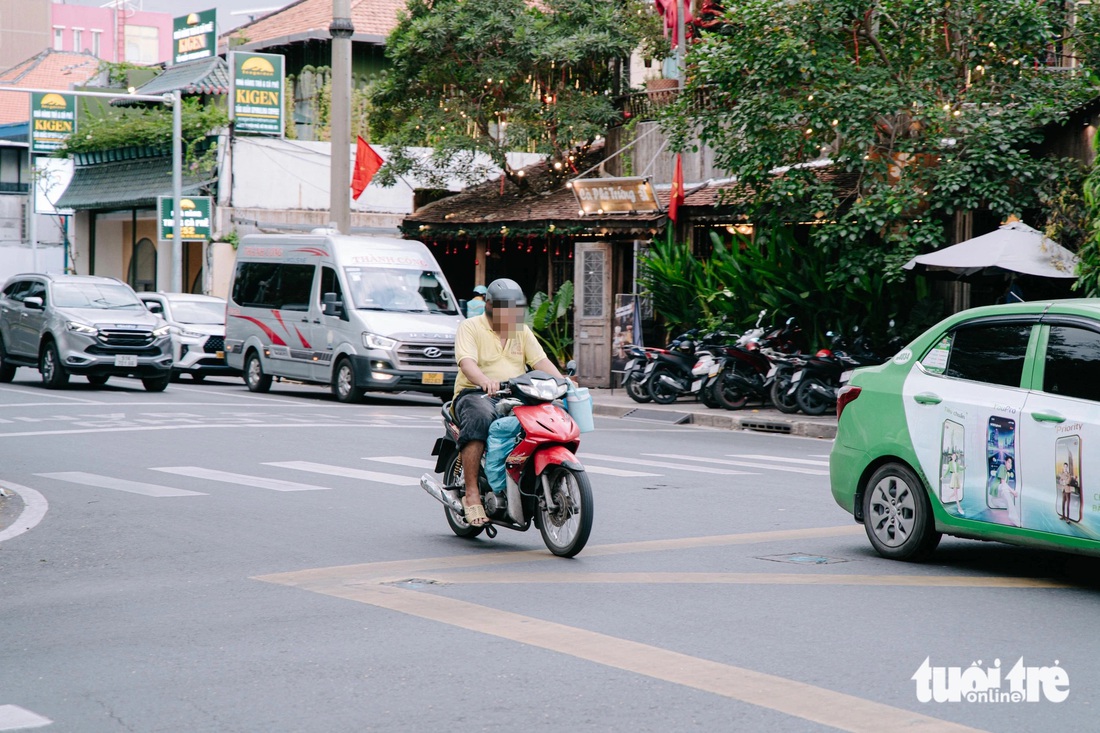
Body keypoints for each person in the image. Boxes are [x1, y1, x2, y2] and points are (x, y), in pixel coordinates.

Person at [452, 278, 565, 526]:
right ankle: (472, 495)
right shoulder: (470, 327)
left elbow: (540, 362)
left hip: (517, 394)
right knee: (480, 418)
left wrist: (564, 381)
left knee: (551, 416)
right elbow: (467, 362)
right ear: (489, 305)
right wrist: (484, 380)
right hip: (476, 394)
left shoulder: (521, 330)